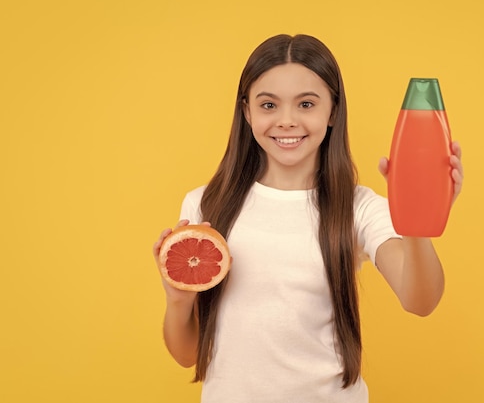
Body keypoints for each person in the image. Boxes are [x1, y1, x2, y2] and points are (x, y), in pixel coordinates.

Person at [153, 34, 464, 403]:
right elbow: (187, 354)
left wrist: (418, 217)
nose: (287, 121)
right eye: (268, 104)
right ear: (247, 111)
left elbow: (420, 300)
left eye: (306, 104)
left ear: (333, 110)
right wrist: (178, 301)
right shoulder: (206, 206)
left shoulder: (357, 208)